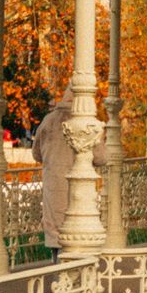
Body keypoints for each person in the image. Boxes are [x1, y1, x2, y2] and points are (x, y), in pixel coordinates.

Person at [34, 95, 105, 252]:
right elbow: (101, 158)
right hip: (79, 187)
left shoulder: (48, 120)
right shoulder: (87, 122)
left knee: (56, 233)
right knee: (77, 233)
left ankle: (56, 271)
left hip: (52, 184)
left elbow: (36, 154)